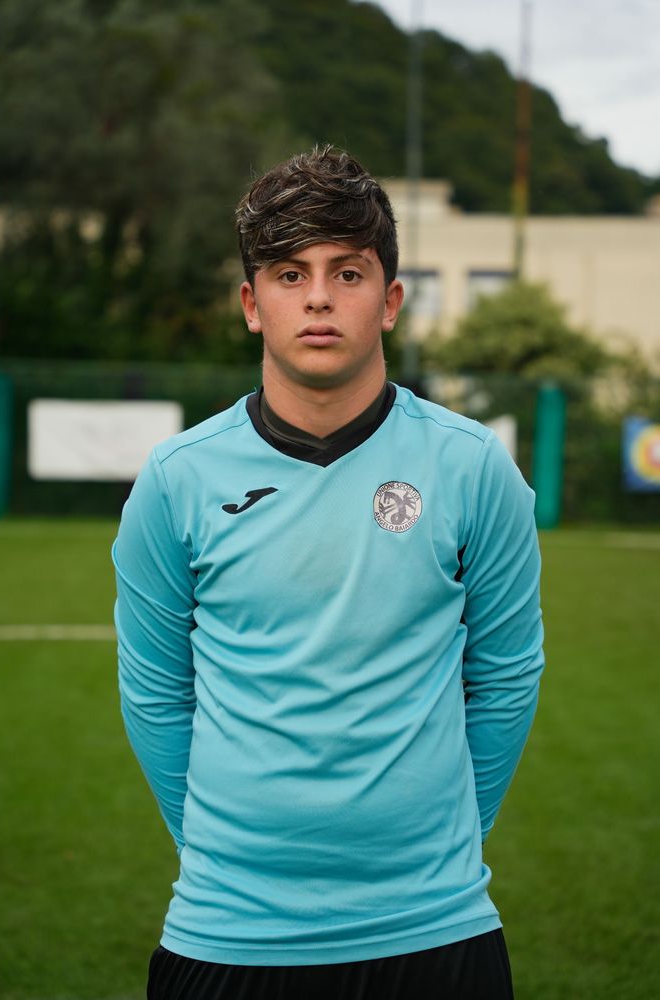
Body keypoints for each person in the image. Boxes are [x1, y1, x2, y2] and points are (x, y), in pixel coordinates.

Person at [113, 146, 544, 999]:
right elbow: (156, 691)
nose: (317, 297)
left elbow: (504, 677)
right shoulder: (176, 479)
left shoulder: (471, 468)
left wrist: (444, 840)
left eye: (346, 272)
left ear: (389, 301)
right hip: (228, 930)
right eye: (289, 273)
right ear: (252, 304)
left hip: (434, 927)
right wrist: (218, 847)